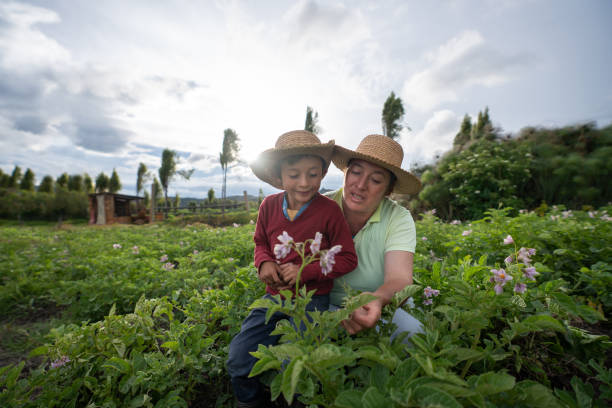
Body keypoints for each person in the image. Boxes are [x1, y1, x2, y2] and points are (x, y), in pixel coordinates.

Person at [226, 130, 358, 408]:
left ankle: (294, 402)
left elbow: (347, 258)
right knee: (239, 356)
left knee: (294, 364)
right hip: (274, 297)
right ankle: (249, 401)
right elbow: (260, 241)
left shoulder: (329, 211)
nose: (304, 182)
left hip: (313, 299)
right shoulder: (269, 206)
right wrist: (264, 262)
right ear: (279, 177)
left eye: (313, 174)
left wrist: (305, 271)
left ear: (322, 174)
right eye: (294, 174)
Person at [325, 134, 423, 338]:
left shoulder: (398, 217)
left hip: (379, 305)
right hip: (323, 303)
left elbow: (399, 279)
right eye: (356, 172)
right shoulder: (319, 207)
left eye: (376, 180)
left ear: (388, 190)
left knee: (415, 335)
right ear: (345, 173)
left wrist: (376, 299)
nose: (360, 185)